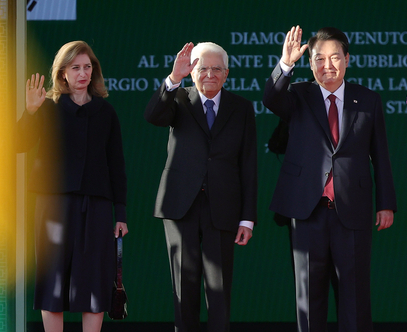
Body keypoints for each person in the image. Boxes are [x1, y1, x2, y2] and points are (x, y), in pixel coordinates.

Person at [263, 26, 397, 332]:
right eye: (319, 59)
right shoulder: (297, 94)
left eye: (335, 57)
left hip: (353, 209)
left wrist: (386, 203)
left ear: (347, 59)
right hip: (307, 209)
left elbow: (381, 155)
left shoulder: (368, 99)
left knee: (355, 295)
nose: (328, 65)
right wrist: (285, 63)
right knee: (309, 297)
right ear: (310, 63)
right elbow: (271, 98)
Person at [15, 41, 128, 332]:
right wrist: (29, 112)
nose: (83, 73)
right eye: (76, 67)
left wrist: (122, 214)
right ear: (62, 73)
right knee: (53, 280)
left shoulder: (106, 111)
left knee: (93, 282)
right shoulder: (47, 107)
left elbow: (117, 166)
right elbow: (18, 145)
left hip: (98, 207)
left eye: (87, 67)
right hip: (53, 206)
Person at [144, 41, 257, 332]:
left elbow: (248, 164)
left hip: (223, 206)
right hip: (181, 205)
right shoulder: (178, 98)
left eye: (216, 68)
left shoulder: (241, 108)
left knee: (219, 290)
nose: (209, 74)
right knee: (184, 287)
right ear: (192, 71)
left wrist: (247, 218)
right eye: (202, 68)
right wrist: (173, 79)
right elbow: (153, 116)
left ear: (227, 73)